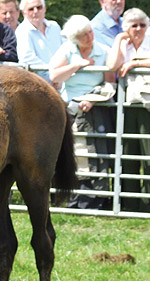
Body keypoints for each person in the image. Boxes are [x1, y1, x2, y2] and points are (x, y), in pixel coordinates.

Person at [107, 8, 150, 213]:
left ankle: (148, 205)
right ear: (127, 27)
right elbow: (112, 65)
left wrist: (135, 63)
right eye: (134, 25)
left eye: (142, 24)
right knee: (128, 154)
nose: (139, 29)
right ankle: (129, 203)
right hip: (127, 105)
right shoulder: (123, 44)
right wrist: (118, 40)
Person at [50, 15, 116, 209]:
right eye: (84, 35)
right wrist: (78, 65)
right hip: (70, 108)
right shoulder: (68, 50)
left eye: (90, 32)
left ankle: (96, 198)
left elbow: (110, 81)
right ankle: (73, 197)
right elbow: (54, 74)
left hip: (95, 107)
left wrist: (93, 99)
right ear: (75, 39)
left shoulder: (103, 50)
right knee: (73, 153)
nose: (90, 37)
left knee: (96, 152)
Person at [15, 0, 62, 83]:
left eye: (39, 7)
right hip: (39, 84)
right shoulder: (22, 31)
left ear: (45, 9)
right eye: (31, 9)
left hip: (62, 80)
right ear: (24, 13)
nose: (36, 11)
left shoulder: (55, 27)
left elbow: (64, 53)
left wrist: (61, 77)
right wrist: (52, 77)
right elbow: (27, 59)